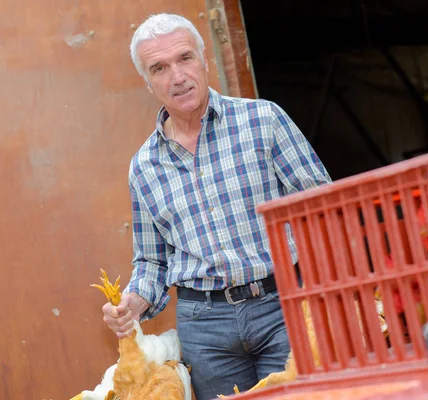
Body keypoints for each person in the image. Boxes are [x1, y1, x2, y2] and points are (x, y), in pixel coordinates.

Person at [101, 12, 332, 400]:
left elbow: (322, 208)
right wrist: (132, 304)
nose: (177, 77)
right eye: (160, 67)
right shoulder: (143, 166)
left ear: (205, 60)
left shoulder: (263, 120)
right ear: (147, 82)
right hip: (204, 328)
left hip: (283, 306)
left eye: (185, 58)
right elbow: (153, 261)